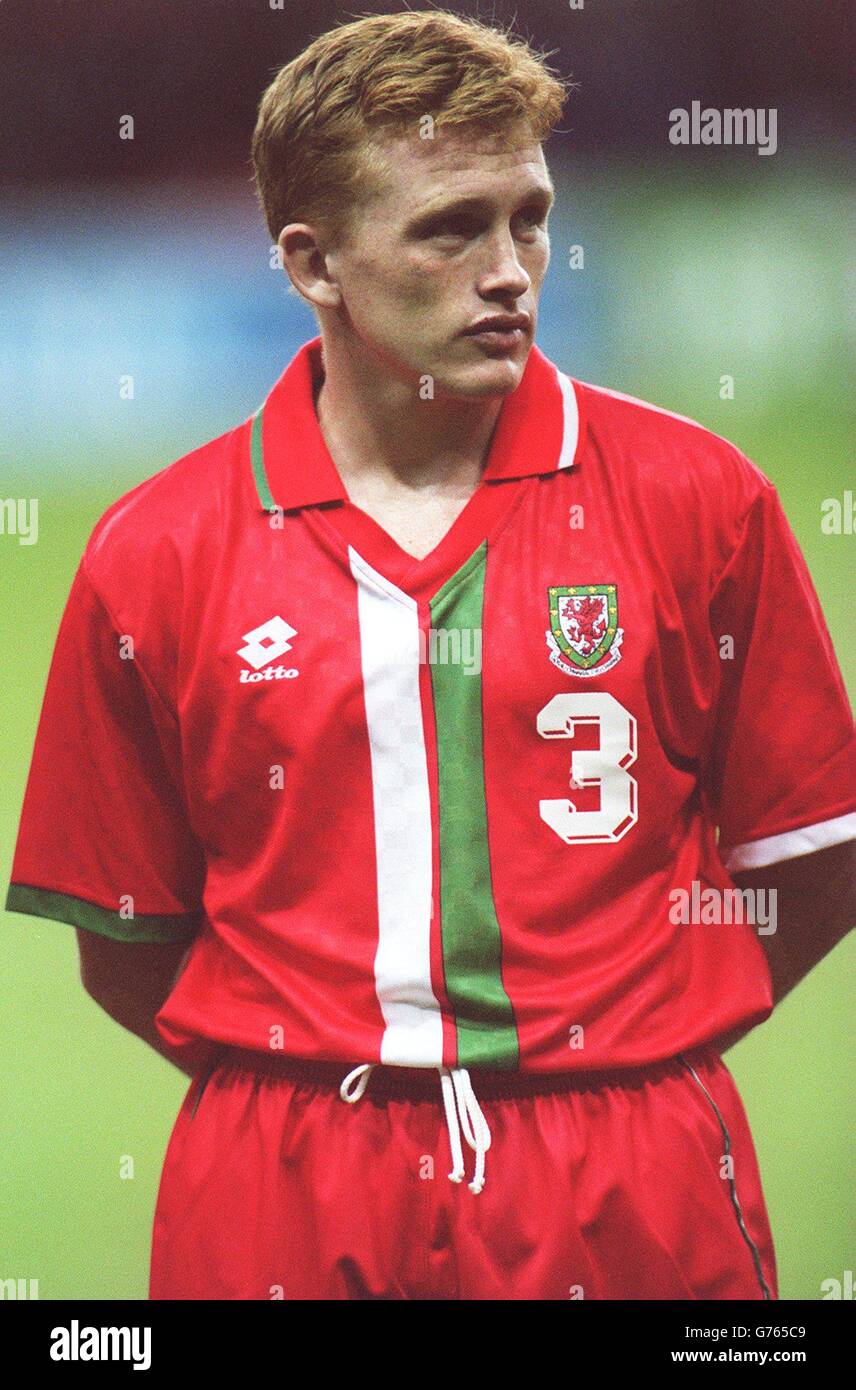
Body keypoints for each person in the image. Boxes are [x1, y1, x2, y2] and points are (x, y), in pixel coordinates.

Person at [6, 10, 854, 1301]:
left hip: (630, 1154)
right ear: (314, 263)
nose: (510, 268)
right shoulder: (157, 549)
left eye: (529, 217)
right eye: (451, 227)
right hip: (283, 1165)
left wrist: (629, 1046)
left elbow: (811, 858)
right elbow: (128, 937)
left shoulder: (699, 496)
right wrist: (326, 1080)